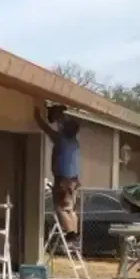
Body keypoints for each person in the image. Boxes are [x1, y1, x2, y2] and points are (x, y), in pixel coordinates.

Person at [34, 101, 81, 247]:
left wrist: (36, 114)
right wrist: (60, 115)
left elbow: (45, 128)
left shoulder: (60, 139)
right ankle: (74, 234)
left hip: (63, 180)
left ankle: (69, 234)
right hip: (74, 180)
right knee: (70, 209)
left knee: (60, 208)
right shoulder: (74, 142)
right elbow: (65, 126)